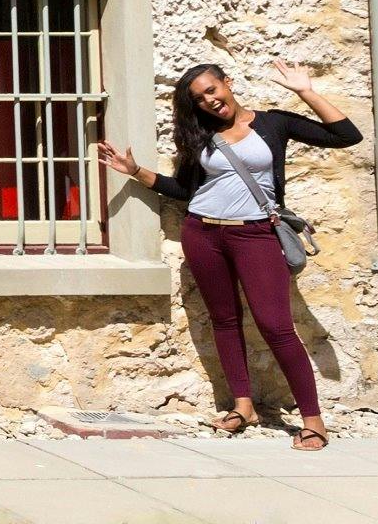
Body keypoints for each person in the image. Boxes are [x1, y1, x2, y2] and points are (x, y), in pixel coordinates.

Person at [99, 61, 360, 450]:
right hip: (202, 233)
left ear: (227, 84)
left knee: (276, 327)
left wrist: (305, 91)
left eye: (212, 90)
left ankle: (313, 420)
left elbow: (345, 136)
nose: (210, 100)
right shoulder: (202, 136)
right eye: (200, 98)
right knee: (224, 320)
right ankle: (243, 405)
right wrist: (136, 171)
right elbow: (187, 189)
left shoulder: (273, 124)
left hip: (256, 234)